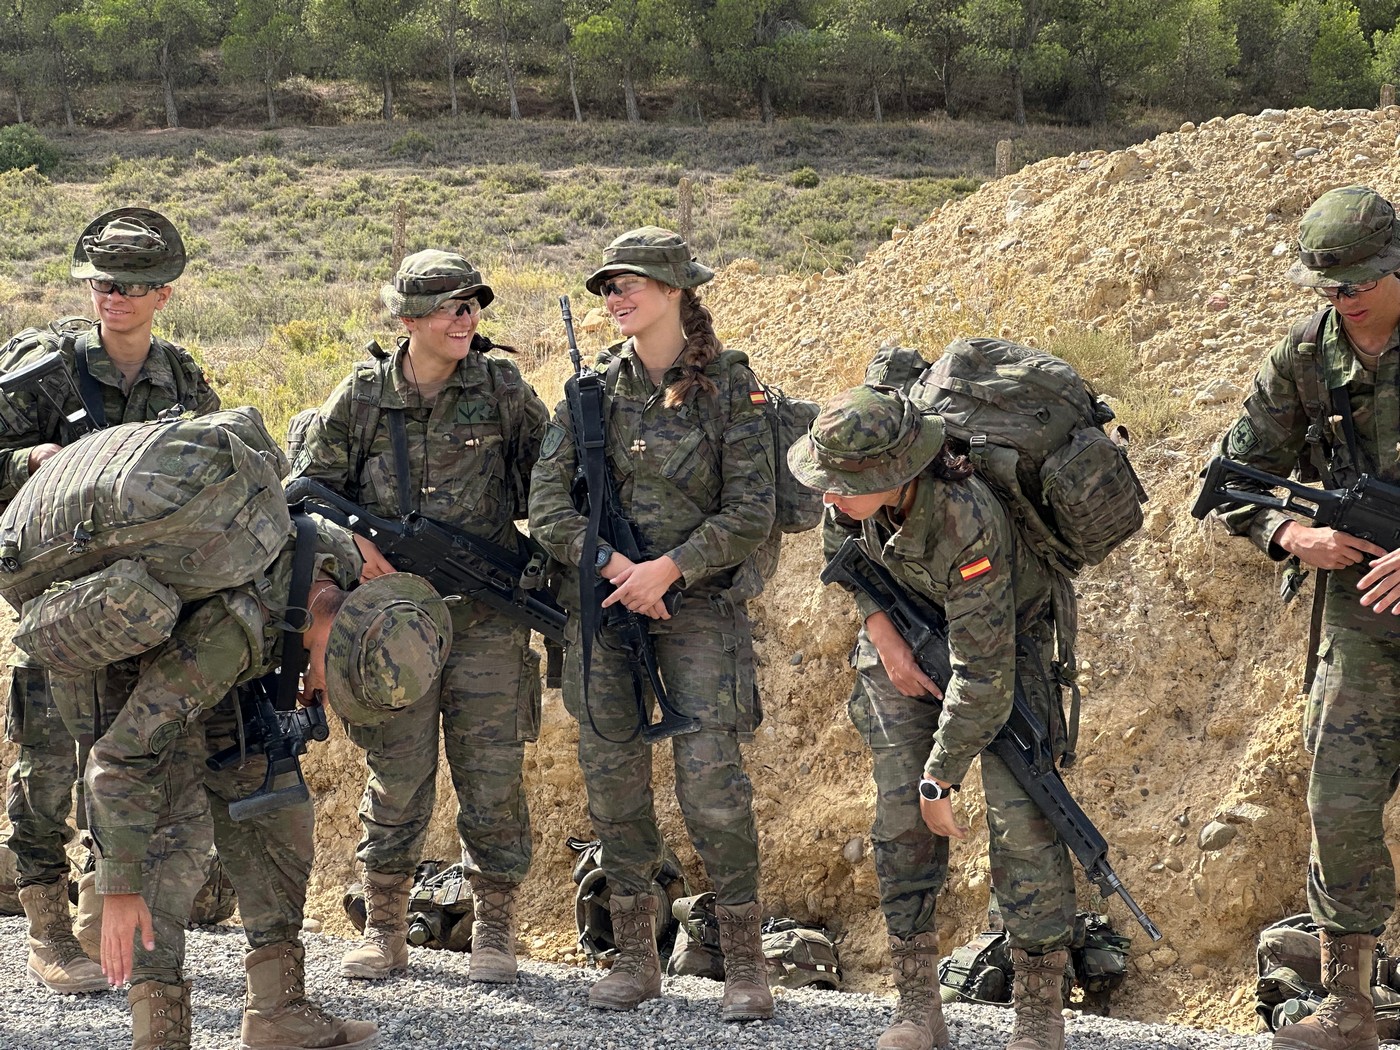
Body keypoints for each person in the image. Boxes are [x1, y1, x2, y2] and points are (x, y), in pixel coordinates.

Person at [528, 226, 776, 1021]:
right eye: (607, 287)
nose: (616, 298)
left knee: (711, 787)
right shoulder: (592, 392)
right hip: (606, 610)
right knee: (614, 785)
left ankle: (745, 966)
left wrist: (665, 570)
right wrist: (613, 569)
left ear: (676, 291)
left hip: (695, 604)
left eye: (631, 283)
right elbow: (545, 507)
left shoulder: (732, 387)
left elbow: (751, 511)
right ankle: (636, 958)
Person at [287, 249, 548, 984]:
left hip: (486, 617)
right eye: (449, 308)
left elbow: (551, 484)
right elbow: (304, 493)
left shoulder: (502, 387)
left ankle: (495, 931)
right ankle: (386, 926)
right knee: (398, 773)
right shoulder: (365, 395)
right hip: (390, 626)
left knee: (491, 775)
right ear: (407, 320)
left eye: (472, 306)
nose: (465, 320)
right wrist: (358, 544)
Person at [789, 385, 1076, 1050]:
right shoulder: (848, 500)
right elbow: (850, 563)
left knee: (1026, 820)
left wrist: (941, 776)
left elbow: (983, 672)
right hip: (901, 640)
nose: (827, 496)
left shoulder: (965, 519)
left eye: (842, 485)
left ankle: (1039, 1017)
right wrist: (885, 639)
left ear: (895, 476)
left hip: (999, 643)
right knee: (898, 818)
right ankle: (917, 1006)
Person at [0, 207, 220, 995]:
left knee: (122, 760)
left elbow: (210, 469)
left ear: (164, 293)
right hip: (57, 600)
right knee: (47, 763)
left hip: (147, 606)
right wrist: (34, 460)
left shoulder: (181, 377)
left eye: (132, 285)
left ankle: (103, 921)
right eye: (101, 282)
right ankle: (46, 931)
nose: (114, 297)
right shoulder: (41, 372)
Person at [1207, 184, 1400, 1050]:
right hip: (1363, 620)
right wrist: (1292, 533)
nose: (1346, 297)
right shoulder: (1304, 357)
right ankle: (1350, 1006)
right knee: (1341, 803)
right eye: (1329, 284)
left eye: (1360, 279)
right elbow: (1233, 479)